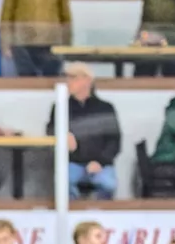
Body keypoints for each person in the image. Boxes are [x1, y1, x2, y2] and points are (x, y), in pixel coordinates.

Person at [45, 64, 120, 200]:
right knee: (65, 182)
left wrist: (100, 161)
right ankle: (73, 217)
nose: (68, 81)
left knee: (108, 184)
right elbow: (50, 132)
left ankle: (100, 215)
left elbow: (114, 141)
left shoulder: (105, 108)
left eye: (73, 77)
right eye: (67, 77)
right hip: (72, 162)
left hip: (100, 163)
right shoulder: (60, 107)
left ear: (87, 80)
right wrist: (61, 136)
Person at [0, 0, 71, 77]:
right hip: (22, 41)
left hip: (51, 40)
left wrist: (67, 43)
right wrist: (5, 44)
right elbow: (7, 13)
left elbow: (64, 14)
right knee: (26, 80)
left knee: (52, 79)